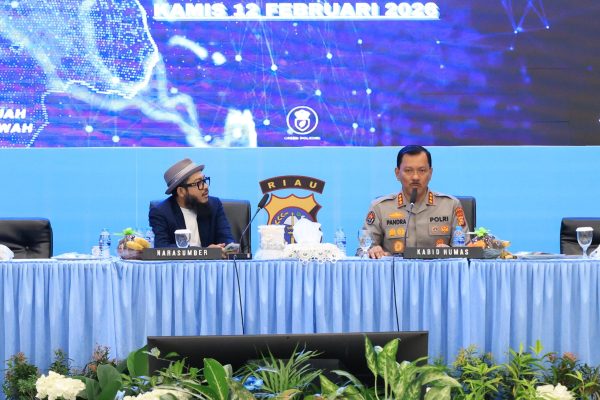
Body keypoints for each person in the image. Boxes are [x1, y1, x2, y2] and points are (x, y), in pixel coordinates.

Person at [362, 145, 470, 259]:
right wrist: (372, 252)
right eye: (408, 171)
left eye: (422, 170)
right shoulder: (380, 208)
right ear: (397, 173)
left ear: (430, 173)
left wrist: (450, 252)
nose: (415, 177)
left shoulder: (451, 205)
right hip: (395, 270)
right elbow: (362, 251)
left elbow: (467, 250)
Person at [149, 158, 234, 249]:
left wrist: (227, 249)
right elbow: (162, 247)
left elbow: (226, 239)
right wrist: (205, 252)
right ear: (181, 191)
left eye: (204, 180)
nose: (206, 186)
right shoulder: (161, 212)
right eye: (198, 183)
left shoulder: (214, 205)